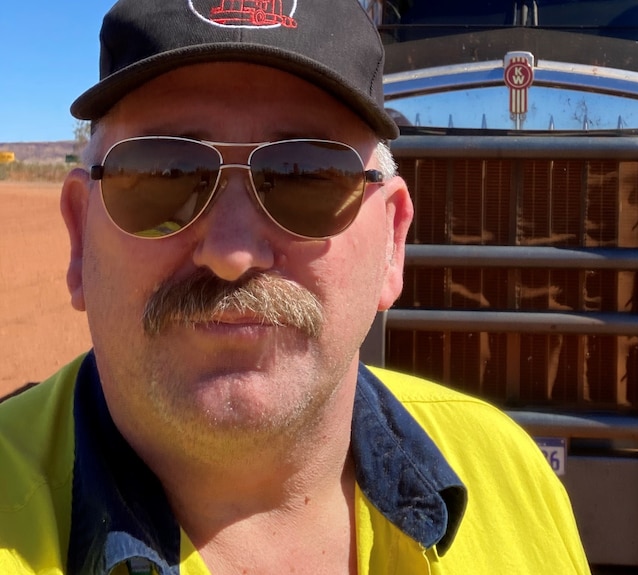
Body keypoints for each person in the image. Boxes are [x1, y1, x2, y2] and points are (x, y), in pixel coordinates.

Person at [0, 1, 591, 573]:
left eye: (306, 177)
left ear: (392, 243)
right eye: (162, 175)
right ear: (80, 236)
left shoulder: (511, 476)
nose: (232, 254)